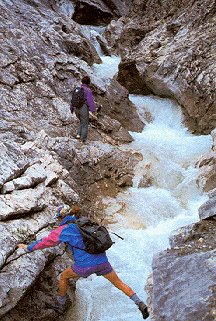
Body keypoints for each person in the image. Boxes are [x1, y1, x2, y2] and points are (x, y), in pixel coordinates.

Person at [17, 204, 149, 319]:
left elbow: (47, 242)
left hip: (85, 266)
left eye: (58, 218)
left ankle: (60, 304)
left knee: (63, 276)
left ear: (61, 218)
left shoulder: (65, 230)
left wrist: (28, 247)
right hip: (103, 261)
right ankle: (140, 303)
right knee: (119, 283)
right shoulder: (84, 223)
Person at [71, 75, 96, 143]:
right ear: (89, 83)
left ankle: (78, 134)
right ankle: (83, 139)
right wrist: (93, 110)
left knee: (82, 122)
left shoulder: (77, 89)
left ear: (82, 82)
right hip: (83, 108)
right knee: (85, 124)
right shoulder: (88, 90)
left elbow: (73, 99)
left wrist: (72, 108)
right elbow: (90, 101)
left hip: (76, 108)